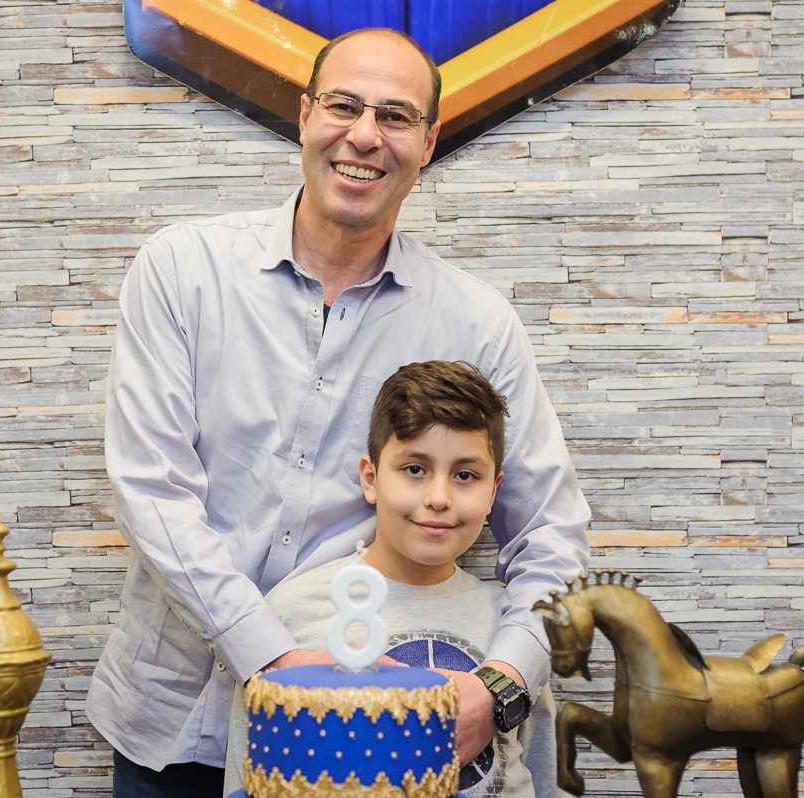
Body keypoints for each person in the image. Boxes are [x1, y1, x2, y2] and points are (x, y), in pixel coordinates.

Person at [88, 26, 589, 797]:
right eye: (344, 105)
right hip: (170, 727)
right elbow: (151, 493)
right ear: (304, 115)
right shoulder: (181, 271)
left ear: (429, 142)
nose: (363, 134)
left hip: (369, 749)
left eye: (395, 116)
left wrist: (499, 685)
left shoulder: (479, 325)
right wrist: (282, 661)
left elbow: (551, 535)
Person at [224, 361, 563, 798]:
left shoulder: (514, 626)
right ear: (371, 479)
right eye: (415, 469)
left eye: (465, 475)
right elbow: (251, 772)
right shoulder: (290, 612)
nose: (438, 498)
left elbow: (538, 770)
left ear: (493, 492)